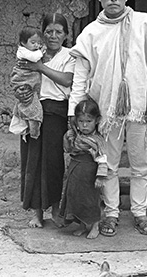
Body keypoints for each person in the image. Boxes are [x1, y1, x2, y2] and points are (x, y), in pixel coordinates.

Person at [68, 0, 147, 237]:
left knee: (141, 163)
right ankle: (111, 213)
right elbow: (81, 76)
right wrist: (74, 111)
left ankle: (139, 212)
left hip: (140, 108)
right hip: (106, 110)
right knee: (108, 163)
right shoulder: (91, 32)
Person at [14, 13, 75, 228]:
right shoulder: (32, 53)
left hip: (56, 112)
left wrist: (41, 68)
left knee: (53, 162)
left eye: (59, 31)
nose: (53, 36)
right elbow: (19, 77)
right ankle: (37, 213)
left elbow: (67, 80)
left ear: (66, 34)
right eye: (49, 31)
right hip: (32, 111)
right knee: (33, 160)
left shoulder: (70, 55)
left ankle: (56, 208)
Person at [60, 99, 108, 239]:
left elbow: (102, 158)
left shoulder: (97, 140)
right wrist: (67, 139)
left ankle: (95, 225)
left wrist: (100, 176)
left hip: (90, 173)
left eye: (89, 121)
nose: (85, 125)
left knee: (90, 200)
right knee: (76, 198)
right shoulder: (76, 136)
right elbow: (69, 150)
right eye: (81, 121)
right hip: (75, 171)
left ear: (97, 120)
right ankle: (81, 224)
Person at [9, 27, 46, 138]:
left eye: (39, 43)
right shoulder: (23, 51)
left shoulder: (28, 50)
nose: (36, 45)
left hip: (28, 84)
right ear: (23, 43)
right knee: (32, 107)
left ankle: (24, 125)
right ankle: (32, 129)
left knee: (27, 104)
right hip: (23, 81)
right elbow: (34, 58)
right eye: (33, 42)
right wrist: (42, 50)